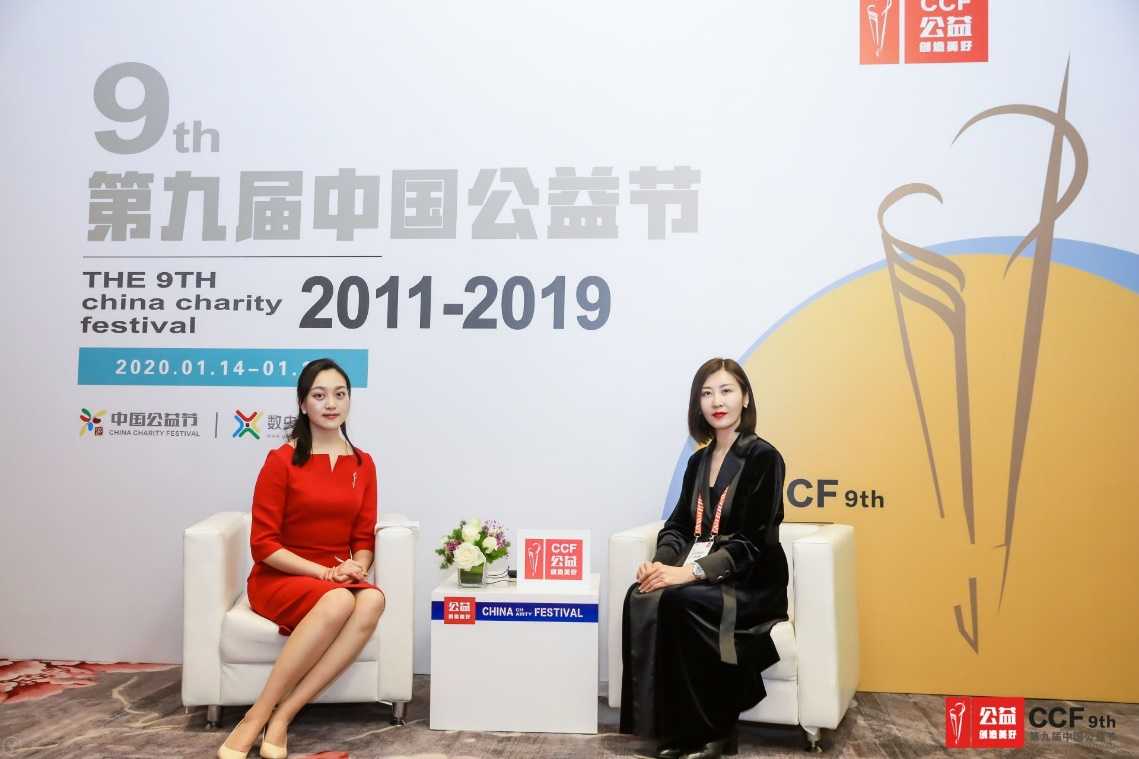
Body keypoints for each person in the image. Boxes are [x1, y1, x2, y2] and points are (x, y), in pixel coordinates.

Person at [620, 358, 789, 759]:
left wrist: (689, 573)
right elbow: (679, 525)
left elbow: (752, 542)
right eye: (707, 393)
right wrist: (661, 564)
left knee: (684, 600)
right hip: (704, 572)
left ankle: (716, 731)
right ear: (698, 404)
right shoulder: (698, 460)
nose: (717, 401)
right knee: (639, 595)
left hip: (750, 578)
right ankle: (673, 728)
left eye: (727, 391)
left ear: (745, 398)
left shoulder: (764, 458)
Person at [218, 358, 385, 759]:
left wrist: (358, 566)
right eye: (319, 395)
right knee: (340, 600)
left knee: (373, 599)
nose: (331, 404)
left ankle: (284, 715)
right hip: (280, 576)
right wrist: (326, 574)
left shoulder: (363, 463)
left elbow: (363, 537)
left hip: (334, 577)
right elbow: (264, 545)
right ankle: (255, 717)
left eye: (340, 394)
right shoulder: (281, 460)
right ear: (302, 403)